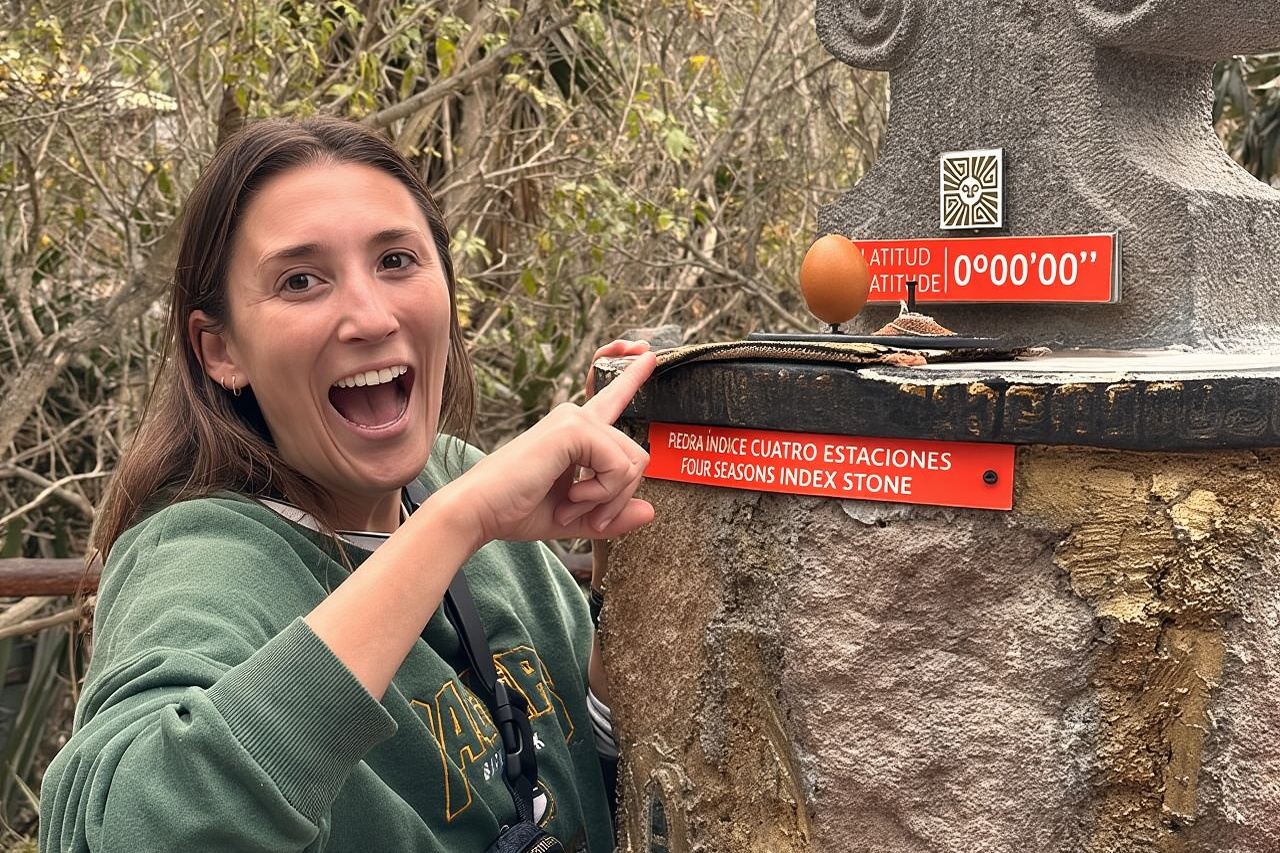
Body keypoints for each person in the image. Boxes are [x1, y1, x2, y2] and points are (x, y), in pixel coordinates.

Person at [38, 116, 658, 853]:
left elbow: (592, 770)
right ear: (221, 349)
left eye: (396, 260)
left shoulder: (458, 476)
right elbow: (120, 829)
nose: (370, 316)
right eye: (300, 280)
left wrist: (635, 575)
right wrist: (455, 525)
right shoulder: (202, 564)